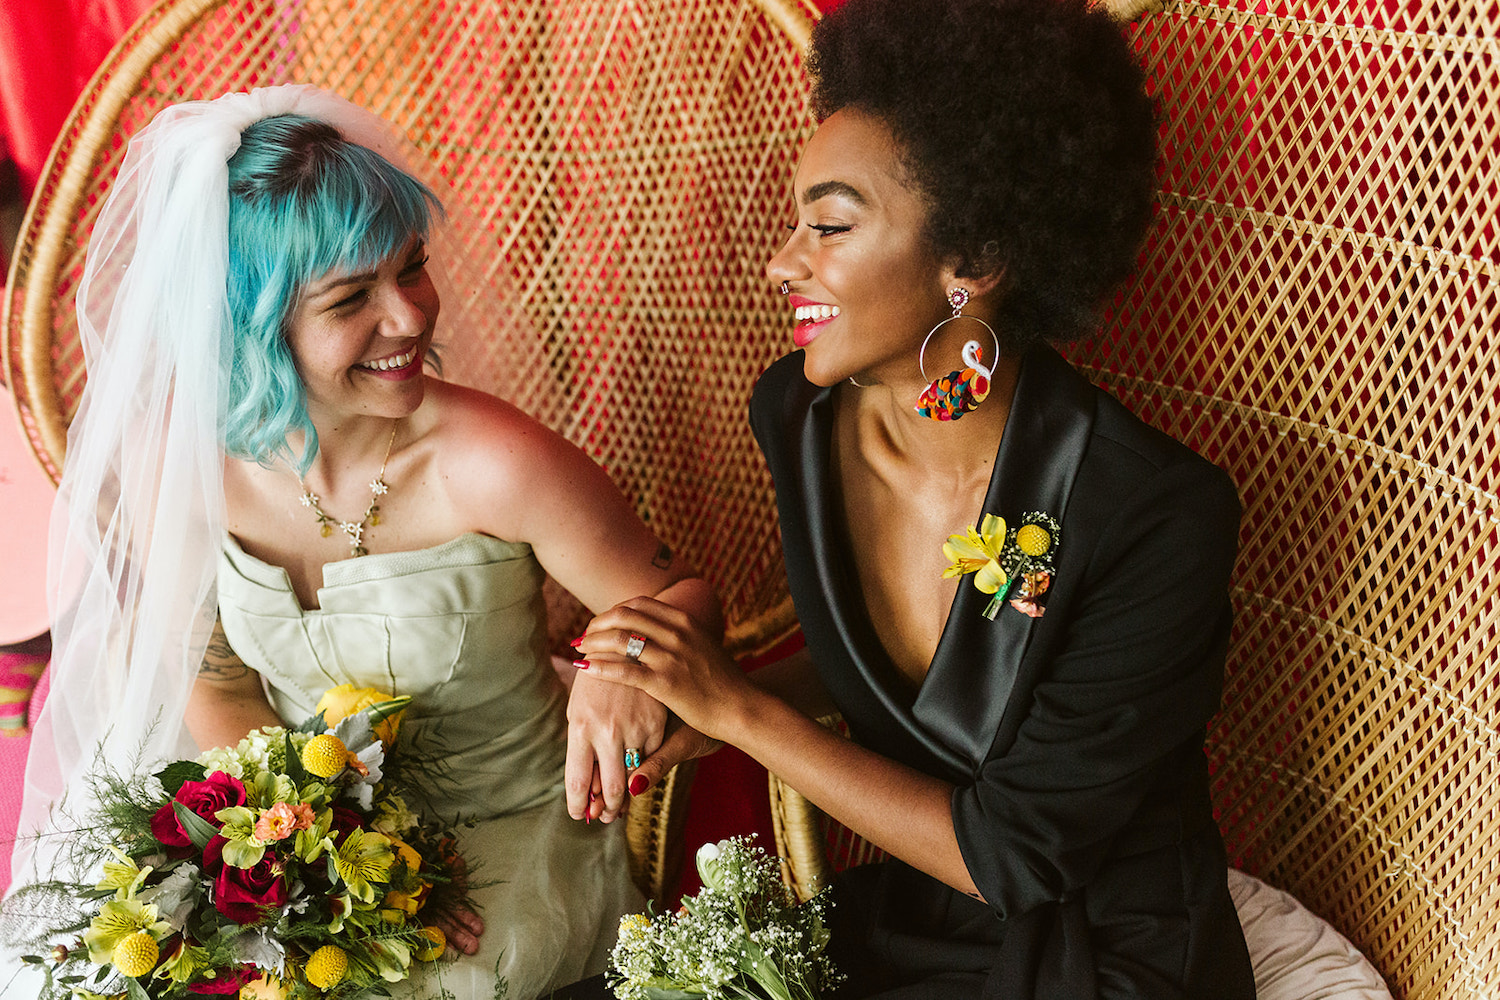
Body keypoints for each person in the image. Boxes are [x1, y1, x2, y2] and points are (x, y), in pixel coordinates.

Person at [575, 0, 1256, 996]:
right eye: (794, 220)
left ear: (972, 261)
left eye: (832, 225)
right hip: (918, 918)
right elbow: (901, 672)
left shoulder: (1152, 511)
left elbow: (1017, 857)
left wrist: (740, 709)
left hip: (1107, 951)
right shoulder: (798, 419)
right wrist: (699, 700)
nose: (783, 262)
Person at [2, 86, 717, 999]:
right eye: (353, 297)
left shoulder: (495, 463)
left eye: (411, 267)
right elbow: (216, 682)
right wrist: (318, 852)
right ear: (254, 330)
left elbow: (685, 596)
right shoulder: (178, 473)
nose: (412, 315)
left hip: (515, 833)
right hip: (325, 849)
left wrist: (621, 660)